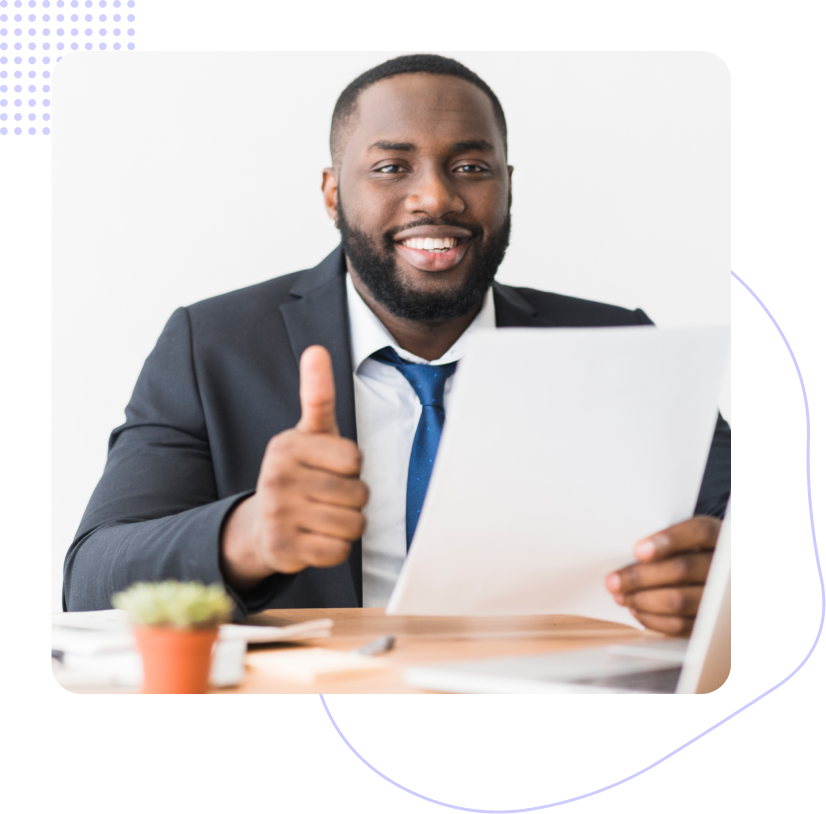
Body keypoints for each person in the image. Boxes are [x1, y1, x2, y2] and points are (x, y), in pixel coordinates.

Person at [64, 55, 730, 635]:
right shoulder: (210, 347)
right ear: (333, 193)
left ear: (507, 185)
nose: (435, 197)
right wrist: (251, 533)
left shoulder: (618, 346)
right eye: (390, 167)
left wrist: (716, 578)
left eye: (470, 165)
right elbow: (91, 581)